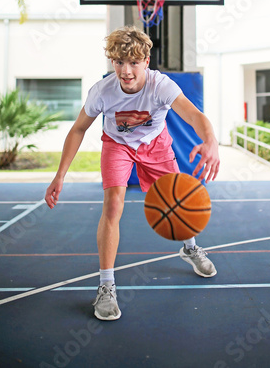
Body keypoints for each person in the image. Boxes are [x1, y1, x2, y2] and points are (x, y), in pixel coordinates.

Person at [45, 25, 220, 321]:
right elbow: (78, 129)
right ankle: (106, 285)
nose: (126, 71)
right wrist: (60, 174)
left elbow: (194, 116)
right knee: (113, 205)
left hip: (155, 144)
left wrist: (211, 141)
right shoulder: (102, 91)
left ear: (146, 61)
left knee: (176, 202)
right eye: (119, 62)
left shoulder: (161, 86)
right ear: (112, 62)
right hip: (117, 145)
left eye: (133, 63)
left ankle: (190, 249)